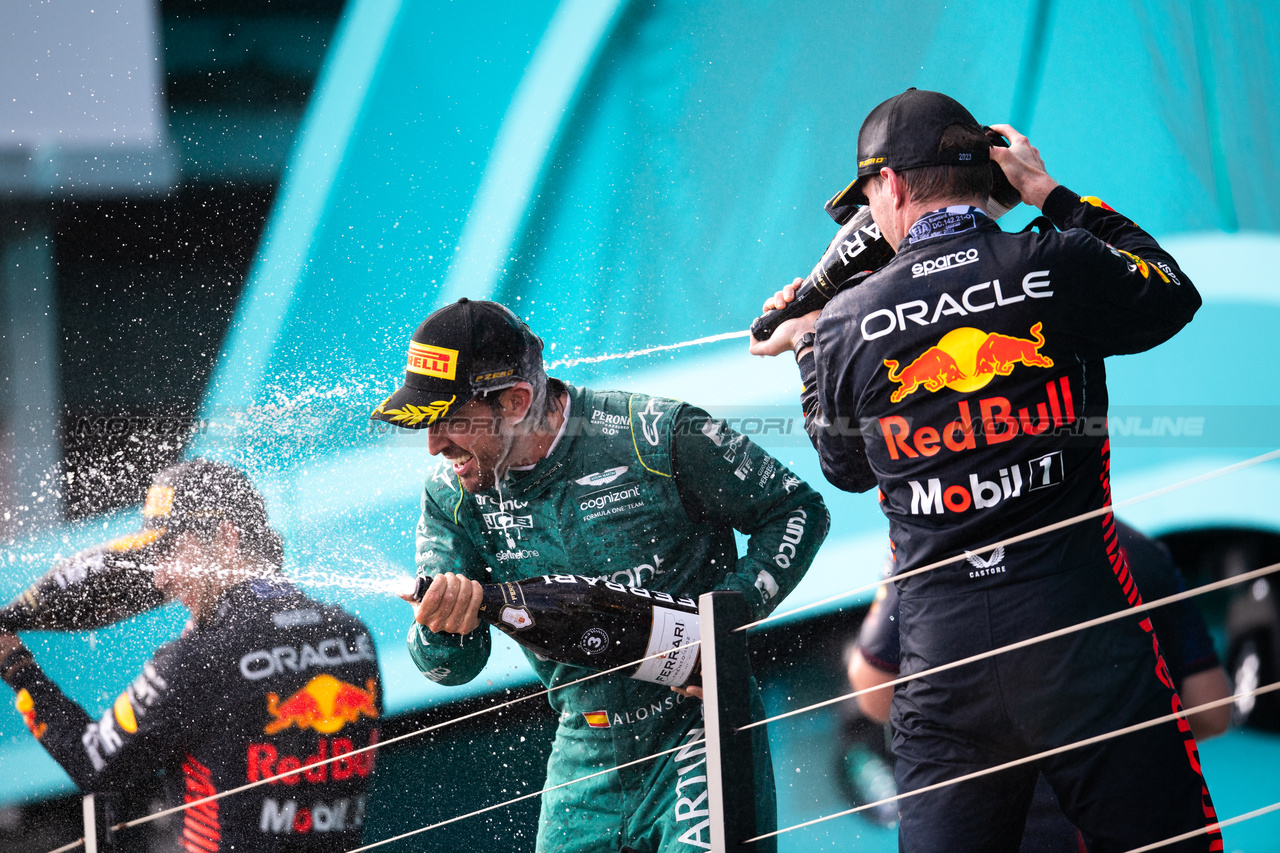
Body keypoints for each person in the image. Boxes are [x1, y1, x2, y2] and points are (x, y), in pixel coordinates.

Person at [750, 88, 1219, 851]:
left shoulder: (847, 319)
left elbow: (844, 468)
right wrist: (1051, 194)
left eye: (868, 195)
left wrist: (808, 344)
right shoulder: (1056, 258)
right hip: (1085, 637)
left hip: (945, 664)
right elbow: (1173, 290)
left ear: (891, 187)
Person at [370, 298, 829, 853]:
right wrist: (444, 624)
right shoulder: (449, 494)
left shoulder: (656, 432)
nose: (434, 445)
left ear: (516, 401)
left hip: (697, 722)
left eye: (449, 421)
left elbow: (798, 511)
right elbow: (453, 667)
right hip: (582, 748)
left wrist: (715, 631)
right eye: (425, 423)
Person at [0, 460, 382, 852]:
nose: (160, 578)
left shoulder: (200, 656)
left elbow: (93, 762)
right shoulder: (352, 633)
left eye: (170, 551)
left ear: (227, 540)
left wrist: (18, 669)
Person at [845, 520, 1231, 850]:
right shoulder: (1135, 548)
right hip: (1117, 815)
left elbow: (873, 692)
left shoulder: (932, 552)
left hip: (1004, 829)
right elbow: (1211, 710)